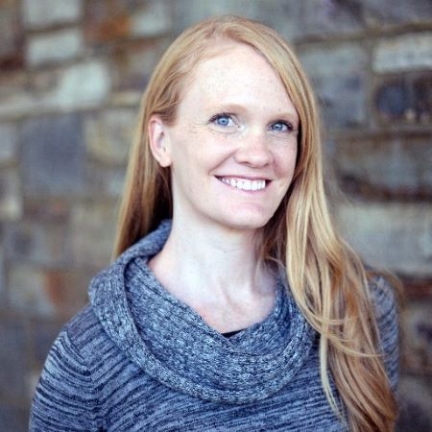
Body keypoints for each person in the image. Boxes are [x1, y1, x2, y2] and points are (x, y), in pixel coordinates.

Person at [30, 15, 399, 432]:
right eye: (225, 119)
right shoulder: (87, 361)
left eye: (280, 126)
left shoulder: (354, 310)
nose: (258, 154)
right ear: (161, 141)